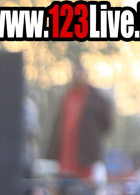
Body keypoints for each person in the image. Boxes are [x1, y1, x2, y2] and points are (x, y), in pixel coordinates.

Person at [47, 58, 112, 186]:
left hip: (84, 160)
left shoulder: (95, 98)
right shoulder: (66, 96)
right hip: (65, 160)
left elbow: (106, 123)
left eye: (78, 71)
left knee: (84, 190)